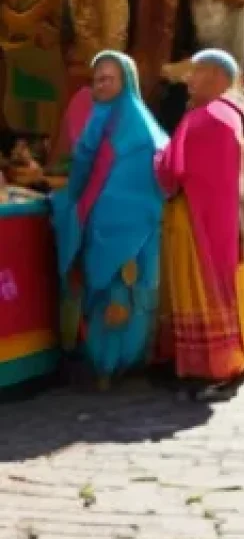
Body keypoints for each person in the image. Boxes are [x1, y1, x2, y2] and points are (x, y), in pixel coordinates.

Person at [154, 50, 244, 400]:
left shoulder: (206, 118)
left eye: (197, 72)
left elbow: (173, 172)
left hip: (196, 226)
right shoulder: (228, 114)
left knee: (203, 294)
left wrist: (157, 157)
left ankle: (212, 365)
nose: (189, 80)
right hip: (217, 225)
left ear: (219, 78)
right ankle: (227, 361)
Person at [51, 52, 167, 386]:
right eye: (97, 79)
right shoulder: (99, 118)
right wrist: (72, 203)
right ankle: (98, 361)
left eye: (108, 79)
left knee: (122, 295)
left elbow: (138, 183)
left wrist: (96, 210)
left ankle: (115, 364)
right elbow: (83, 167)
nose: (101, 85)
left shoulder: (139, 129)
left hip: (127, 229)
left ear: (125, 82)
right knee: (97, 294)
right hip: (95, 222)